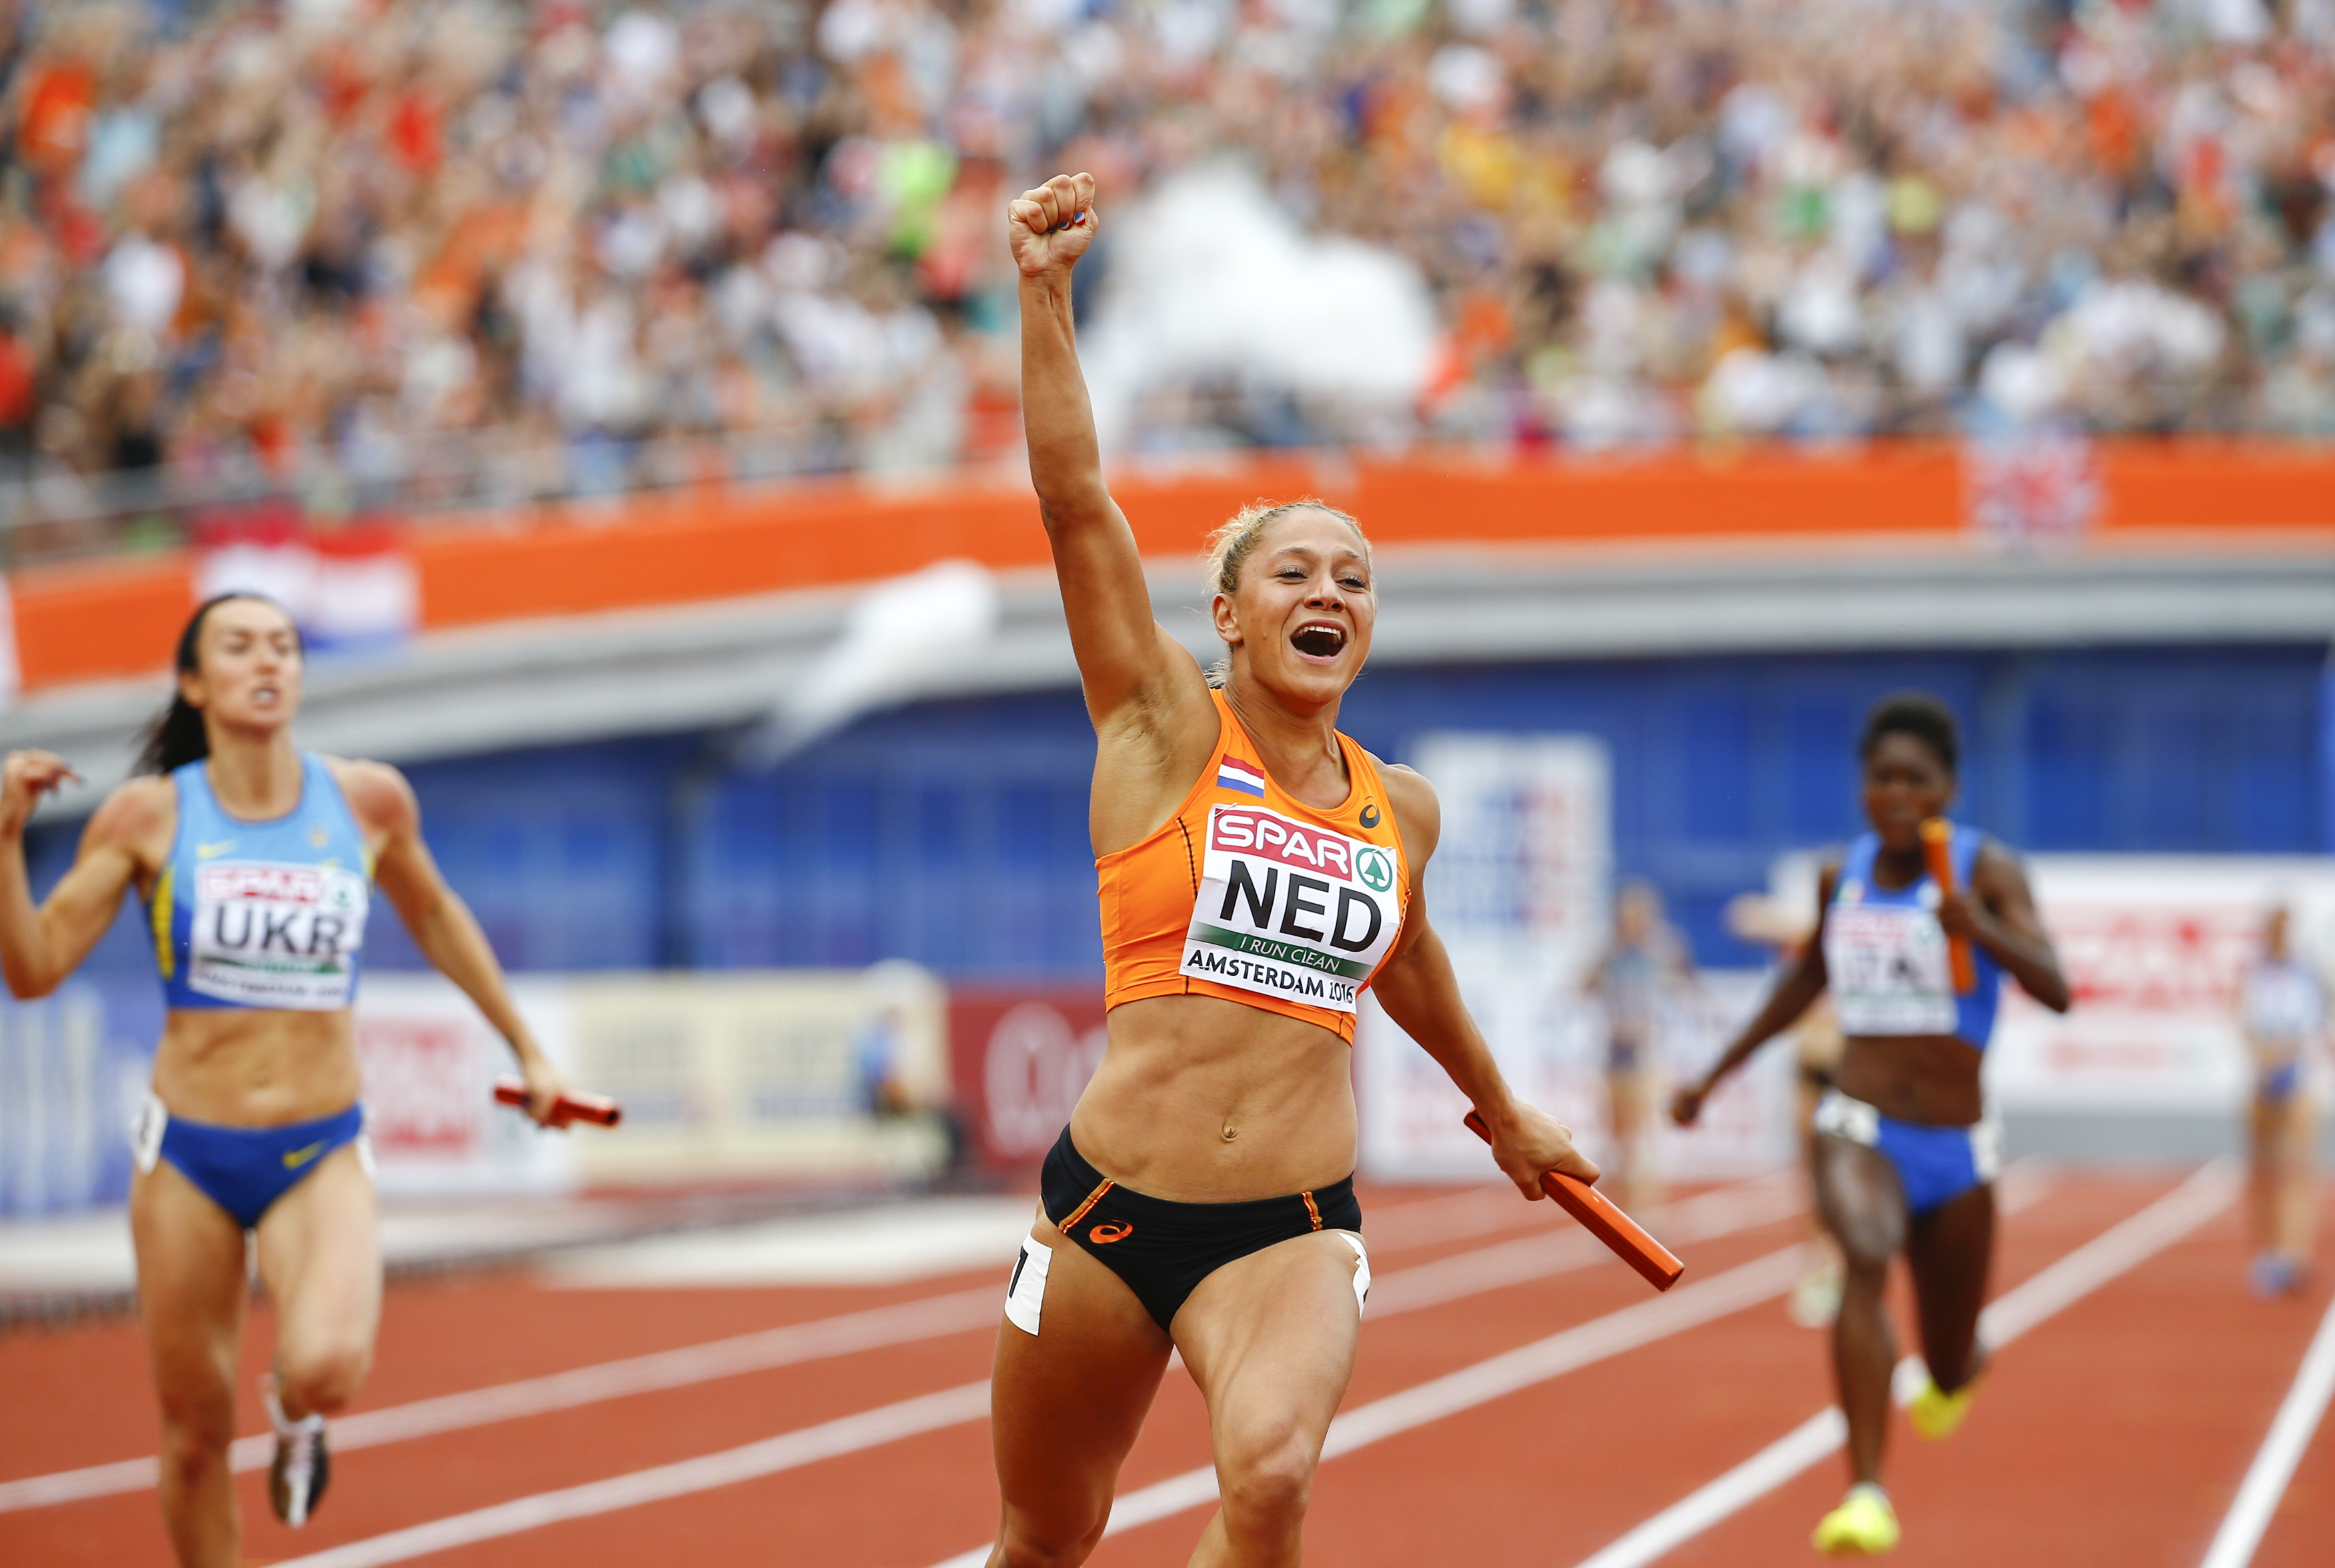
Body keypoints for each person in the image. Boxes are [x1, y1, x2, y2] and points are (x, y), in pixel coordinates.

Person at [983, 170, 1596, 1568]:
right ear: (1227, 612)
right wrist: (1042, 289)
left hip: (1291, 1223)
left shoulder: (1404, 808)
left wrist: (1501, 1107)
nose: (1329, 592)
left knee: (1268, 1475)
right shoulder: (1157, 728)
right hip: (1099, 1212)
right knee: (1042, 1533)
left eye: (1355, 576)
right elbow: (1074, 499)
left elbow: (1410, 959)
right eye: (1294, 572)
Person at [0, 594, 568, 1568]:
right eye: (239, 645)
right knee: (191, 1433)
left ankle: (299, 1416)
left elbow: (437, 916)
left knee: (328, 1365)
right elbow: (35, 964)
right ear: (194, 682)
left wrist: (528, 1046)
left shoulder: (365, 801)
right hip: (188, 1154)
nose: (268, 660)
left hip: (318, 1145)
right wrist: (4, 841)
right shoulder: (149, 813)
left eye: (285, 645)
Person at [1670, 693, 2069, 1557]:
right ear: (1863, 786)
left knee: (1953, 1355)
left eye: (1915, 779)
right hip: (1860, 1118)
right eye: (1881, 777)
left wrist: (1986, 930)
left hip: (1959, 1148)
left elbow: (2057, 987)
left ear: (1947, 789)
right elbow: (1802, 982)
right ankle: (1866, 1491)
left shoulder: (1985, 870)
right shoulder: (1838, 876)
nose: (1895, 794)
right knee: (1863, 1258)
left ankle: (1958, 1368)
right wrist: (1713, 1071)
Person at [1724, 887, 1848, 1329]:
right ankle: (1817, 1269)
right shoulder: (1804, 948)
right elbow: (1742, 916)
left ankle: (1844, 1267)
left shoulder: (1858, 946)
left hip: (1854, 1077)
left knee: (1849, 1181)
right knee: (1812, 1179)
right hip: (1810, 1074)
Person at [1585, 879, 1695, 1214]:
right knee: (1617, 1138)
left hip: (1647, 1052)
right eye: (1627, 915)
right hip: (1613, 1053)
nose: (1633, 921)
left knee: (1645, 1136)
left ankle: (1647, 1210)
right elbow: (1583, 987)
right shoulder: (1610, 951)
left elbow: (1687, 984)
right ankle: (1618, 1210)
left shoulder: (1662, 949)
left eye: (1639, 915)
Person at [2237, 905, 2324, 1297]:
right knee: (2263, 1173)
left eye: (2285, 930)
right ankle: (2268, 1254)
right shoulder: (2252, 974)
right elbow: (2239, 1020)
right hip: (2261, 1079)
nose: (2279, 937)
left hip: (2298, 1080)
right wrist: (2263, 1057)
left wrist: (2292, 1057)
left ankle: (2296, 1255)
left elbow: (2318, 1025)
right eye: (2274, 930)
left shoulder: (2309, 975)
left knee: (2296, 1171)